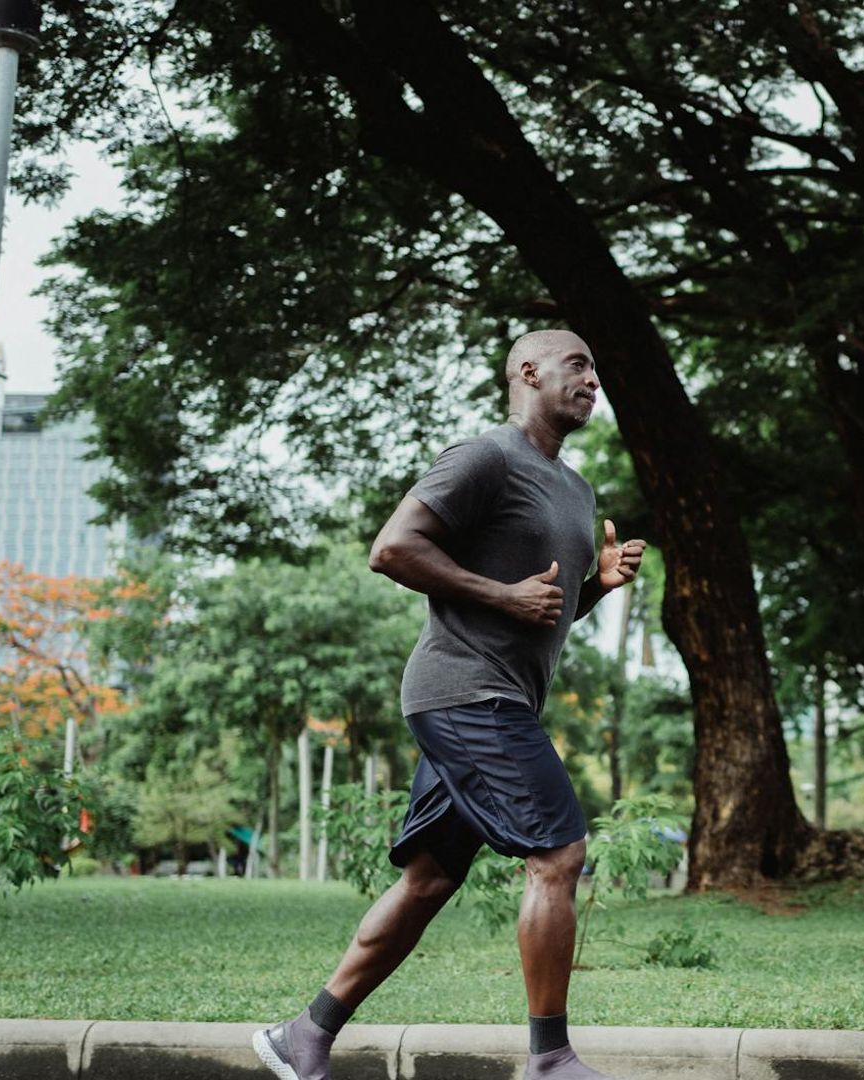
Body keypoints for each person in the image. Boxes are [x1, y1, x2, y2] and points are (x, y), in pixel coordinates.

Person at [253, 330, 646, 1080]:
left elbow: (544, 611)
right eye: (579, 364)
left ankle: (303, 1035)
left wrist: (596, 586)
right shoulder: (483, 458)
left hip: (496, 697)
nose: (593, 379)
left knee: (430, 879)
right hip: (466, 691)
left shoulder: (573, 487)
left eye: (597, 368)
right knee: (558, 853)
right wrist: (502, 593)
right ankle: (550, 1058)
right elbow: (393, 548)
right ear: (528, 372)